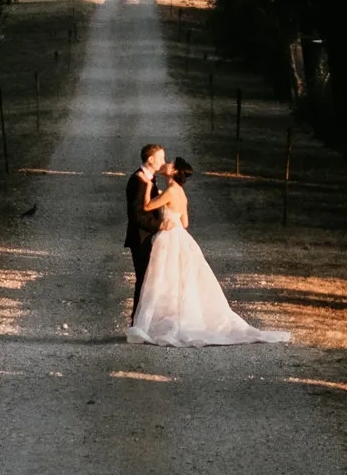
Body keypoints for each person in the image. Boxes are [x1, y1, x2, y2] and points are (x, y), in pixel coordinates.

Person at [128, 156, 291, 347]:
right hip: (181, 236)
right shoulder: (180, 192)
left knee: (165, 278)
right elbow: (185, 223)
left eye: (170, 163)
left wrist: (148, 187)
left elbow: (147, 206)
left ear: (174, 172)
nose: (167, 163)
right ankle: (174, 316)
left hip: (169, 238)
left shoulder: (171, 191)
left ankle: (161, 320)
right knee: (178, 279)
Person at [124, 142, 167, 320]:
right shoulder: (138, 181)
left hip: (150, 237)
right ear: (150, 159)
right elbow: (136, 215)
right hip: (141, 239)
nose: (164, 161)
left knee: (152, 281)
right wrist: (159, 225)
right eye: (161, 158)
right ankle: (137, 321)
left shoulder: (149, 178)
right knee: (143, 281)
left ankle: (147, 320)